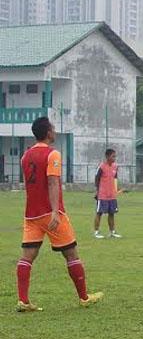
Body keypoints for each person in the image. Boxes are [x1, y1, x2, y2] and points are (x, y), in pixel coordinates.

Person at [15, 117, 103, 312]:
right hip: (51, 214)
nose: (55, 131)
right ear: (47, 132)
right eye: (53, 128)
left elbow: (28, 185)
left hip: (31, 215)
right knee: (71, 253)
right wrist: (55, 211)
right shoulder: (52, 154)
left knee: (27, 257)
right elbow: (53, 182)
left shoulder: (25, 156)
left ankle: (23, 300)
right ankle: (84, 297)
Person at [93, 148, 122, 239]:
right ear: (107, 156)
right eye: (113, 156)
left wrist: (116, 190)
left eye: (115, 156)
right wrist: (97, 191)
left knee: (112, 213)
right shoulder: (101, 167)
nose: (114, 158)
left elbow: (115, 179)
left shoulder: (115, 167)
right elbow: (96, 179)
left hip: (112, 195)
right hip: (102, 195)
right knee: (99, 213)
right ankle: (96, 232)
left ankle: (112, 232)